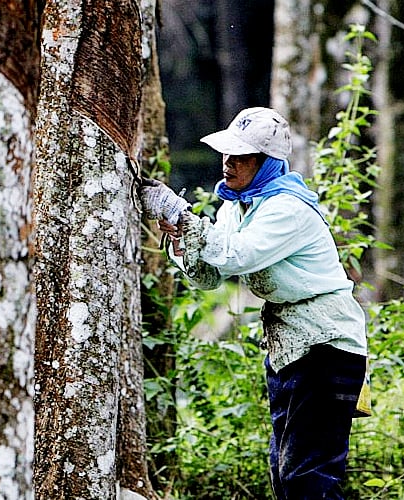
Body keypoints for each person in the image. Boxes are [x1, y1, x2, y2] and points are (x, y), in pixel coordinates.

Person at [139, 107, 368, 499]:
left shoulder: (287, 207)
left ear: (266, 163)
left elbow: (236, 255)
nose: (228, 163)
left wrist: (183, 214)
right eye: (227, 154)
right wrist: (179, 236)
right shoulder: (236, 206)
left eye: (241, 157)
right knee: (285, 474)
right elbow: (210, 275)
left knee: (307, 477)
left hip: (326, 348)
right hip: (289, 349)